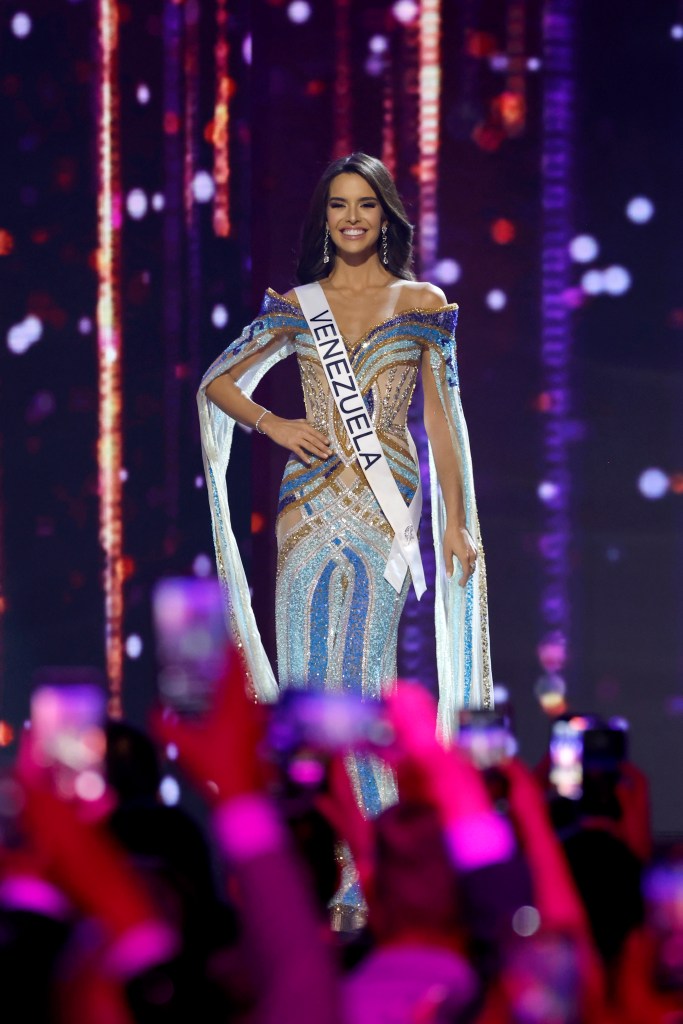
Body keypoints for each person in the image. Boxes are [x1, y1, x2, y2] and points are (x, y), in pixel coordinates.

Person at [198, 152, 492, 814]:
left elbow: (444, 423)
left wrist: (455, 519)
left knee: (361, 679)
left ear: (384, 214)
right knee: (305, 684)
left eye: (365, 204)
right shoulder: (298, 305)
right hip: (305, 500)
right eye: (338, 205)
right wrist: (273, 424)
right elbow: (217, 381)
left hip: (385, 504)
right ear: (323, 218)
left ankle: (365, 864)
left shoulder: (421, 304)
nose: (351, 218)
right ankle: (312, 857)